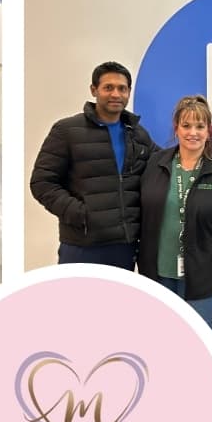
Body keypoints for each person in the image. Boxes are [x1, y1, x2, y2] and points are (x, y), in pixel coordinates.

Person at [30, 60, 157, 269]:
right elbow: (42, 183)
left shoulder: (137, 134)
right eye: (108, 87)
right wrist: (82, 214)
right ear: (94, 90)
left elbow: (163, 164)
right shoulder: (67, 131)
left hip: (124, 246)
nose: (116, 94)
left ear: (129, 92)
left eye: (122, 88)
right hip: (82, 246)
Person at [138, 94, 212, 328]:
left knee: (199, 335)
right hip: (158, 269)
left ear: (208, 131)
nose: (193, 133)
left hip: (201, 270)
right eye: (186, 126)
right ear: (176, 128)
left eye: (200, 126)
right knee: (160, 332)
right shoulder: (156, 164)